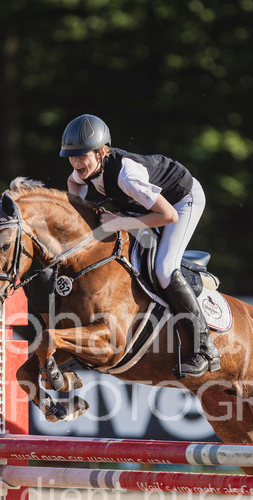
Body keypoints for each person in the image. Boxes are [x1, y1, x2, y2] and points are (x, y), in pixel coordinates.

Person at [59, 113, 220, 378]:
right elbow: (73, 186)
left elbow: (168, 216)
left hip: (181, 201)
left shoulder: (127, 176)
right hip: (144, 206)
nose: (75, 162)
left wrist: (119, 221)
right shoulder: (84, 169)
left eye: (82, 155)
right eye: (71, 156)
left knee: (164, 269)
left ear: (102, 152)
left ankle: (205, 349)